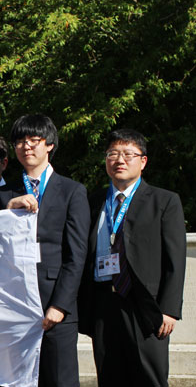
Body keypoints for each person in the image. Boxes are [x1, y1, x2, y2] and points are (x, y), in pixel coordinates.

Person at [78, 129, 186, 386]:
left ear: (143, 161)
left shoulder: (164, 201)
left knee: (149, 377)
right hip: (103, 302)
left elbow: (175, 260)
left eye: (128, 154)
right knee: (109, 375)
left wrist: (169, 310)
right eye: (112, 154)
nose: (119, 160)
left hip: (145, 306)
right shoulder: (93, 202)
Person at [6, 114, 90, 387]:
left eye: (34, 140)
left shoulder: (72, 191)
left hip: (54, 305)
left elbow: (76, 253)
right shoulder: (4, 194)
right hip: (14, 304)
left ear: (49, 144)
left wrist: (60, 305)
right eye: (20, 141)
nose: (26, 147)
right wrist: (7, 209)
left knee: (60, 379)